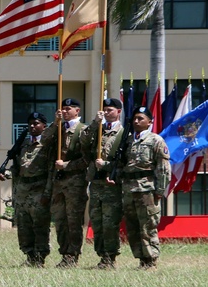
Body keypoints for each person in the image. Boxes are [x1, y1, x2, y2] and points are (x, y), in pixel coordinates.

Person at [115, 106, 171, 270]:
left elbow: (163, 168)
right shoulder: (128, 141)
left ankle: (151, 260)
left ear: (149, 122)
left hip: (146, 189)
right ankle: (141, 260)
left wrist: (159, 191)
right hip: (129, 189)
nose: (136, 121)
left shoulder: (156, 140)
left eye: (141, 118)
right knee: (132, 226)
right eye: (135, 119)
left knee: (147, 226)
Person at [0, 112, 52, 267]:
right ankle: (30, 256)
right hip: (23, 190)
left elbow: (51, 170)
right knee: (23, 225)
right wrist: (5, 174)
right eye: (30, 124)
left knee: (40, 225)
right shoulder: (23, 144)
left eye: (36, 123)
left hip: (39, 188)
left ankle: (40, 257)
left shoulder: (48, 145)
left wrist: (48, 193)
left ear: (44, 126)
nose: (32, 126)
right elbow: (17, 169)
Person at [41, 97, 89, 268]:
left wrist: (67, 165)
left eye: (70, 108)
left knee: (73, 221)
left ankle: (72, 255)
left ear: (78, 111)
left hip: (75, 182)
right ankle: (64, 254)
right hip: (58, 183)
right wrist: (55, 123)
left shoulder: (83, 130)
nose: (66, 111)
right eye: (64, 108)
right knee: (60, 221)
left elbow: (87, 159)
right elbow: (43, 141)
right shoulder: (58, 129)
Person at [83, 98, 126, 270]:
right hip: (96, 183)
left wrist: (107, 165)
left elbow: (126, 161)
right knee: (97, 222)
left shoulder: (123, 135)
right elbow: (83, 141)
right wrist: (95, 123)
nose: (107, 113)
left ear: (118, 112)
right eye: (105, 110)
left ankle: (111, 257)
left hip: (111, 185)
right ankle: (102, 256)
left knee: (110, 223)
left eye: (110, 110)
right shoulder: (98, 130)